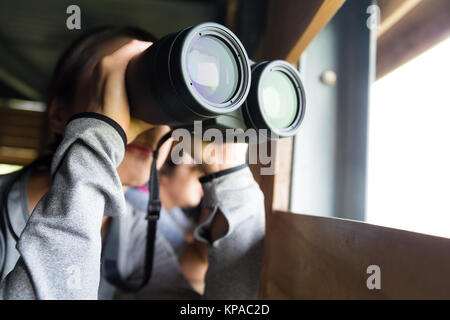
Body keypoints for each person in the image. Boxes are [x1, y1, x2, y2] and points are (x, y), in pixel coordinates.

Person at [0, 26, 265, 300]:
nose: (149, 123)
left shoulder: (130, 233)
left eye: (157, 95)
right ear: (58, 114)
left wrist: (231, 178)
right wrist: (100, 136)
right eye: (123, 89)